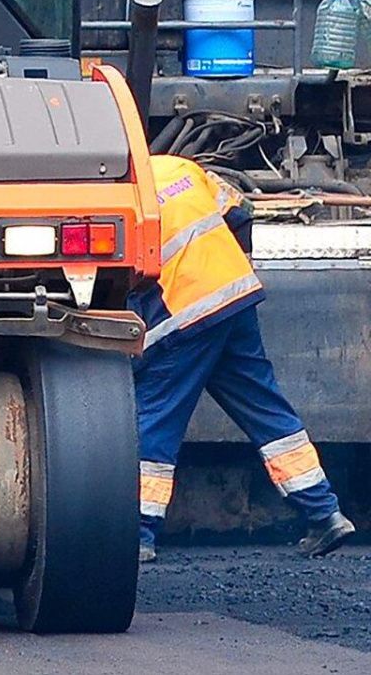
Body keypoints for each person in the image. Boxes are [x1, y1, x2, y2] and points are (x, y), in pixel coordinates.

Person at [132, 154, 355, 563]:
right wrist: (242, 269)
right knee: (266, 410)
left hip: (184, 317)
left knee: (155, 417)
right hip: (234, 300)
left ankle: (139, 533)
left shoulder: (120, 192)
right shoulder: (181, 169)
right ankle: (325, 513)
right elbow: (241, 213)